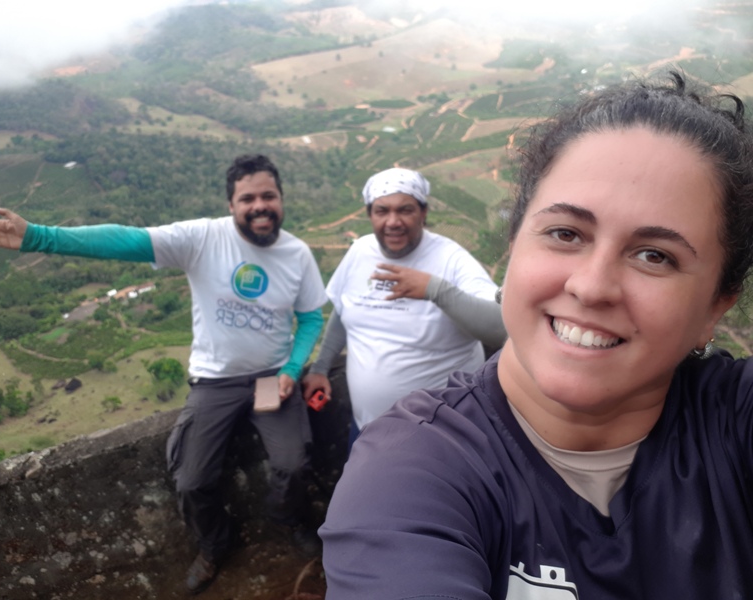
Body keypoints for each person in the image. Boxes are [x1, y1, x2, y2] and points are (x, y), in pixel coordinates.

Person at [319, 72, 753, 599]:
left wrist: (433, 289)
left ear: (716, 307)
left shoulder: (733, 422)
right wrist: (320, 366)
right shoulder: (410, 472)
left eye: (654, 255)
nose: (592, 287)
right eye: (565, 233)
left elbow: (487, 322)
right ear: (515, 245)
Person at [0, 154, 327, 596]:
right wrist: (40, 237)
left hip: (272, 376)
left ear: (281, 199)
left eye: (267, 195)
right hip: (215, 381)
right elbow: (126, 241)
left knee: (292, 464)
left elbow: (310, 318)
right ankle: (215, 545)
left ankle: (290, 521)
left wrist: (292, 369)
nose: (259, 205)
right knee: (192, 480)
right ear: (231, 205)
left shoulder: (297, 254)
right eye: (247, 197)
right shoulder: (203, 238)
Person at [301, 167, 505, 448]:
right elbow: (342, 311)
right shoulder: (360, 251)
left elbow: (501, 328)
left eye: (405, 210)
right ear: (369, 214)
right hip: (368, 428)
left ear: (423, 213)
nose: (392, 221)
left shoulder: (451, 260)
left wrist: (435, 290)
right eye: (382, 211)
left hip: (442, 435)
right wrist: (320, 368)